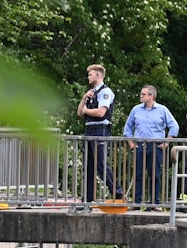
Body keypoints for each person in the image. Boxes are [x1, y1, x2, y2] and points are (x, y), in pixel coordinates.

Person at [123, 85, 179, 206]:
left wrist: (167, 142)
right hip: (139, 146)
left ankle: (154, 203)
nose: (140, 96)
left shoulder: (162, 110)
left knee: (155, 175)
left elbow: (174, 126)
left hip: (156, 146)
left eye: (143, 94)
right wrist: (131, 144)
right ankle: (137, 203)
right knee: (138, 175)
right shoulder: (136, 109)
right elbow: (127, 128)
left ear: (151, 96)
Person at [77, 63, 123, 202]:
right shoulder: (91, 92)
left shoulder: (105, 92)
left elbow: (101, 112)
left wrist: (86, 110)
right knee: (88, 165)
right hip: (89, 128)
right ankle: (88, 197)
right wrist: (84, 98)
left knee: (101, 164)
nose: (88, 77)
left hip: (100, 129)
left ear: (98, 75)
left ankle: (117, 191)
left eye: (90, 74)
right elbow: (79, 113)